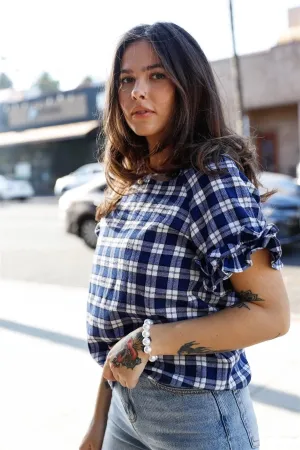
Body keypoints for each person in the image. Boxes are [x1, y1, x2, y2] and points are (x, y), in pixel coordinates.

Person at [79, 22, 290, 450]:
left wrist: (148, 342)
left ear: (188, 85)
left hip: (197, 418)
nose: (138, 90)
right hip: (126, 409)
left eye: (157, 75)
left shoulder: (211, 179)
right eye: (127, 79)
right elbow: (116, 323)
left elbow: (273, 315)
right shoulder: (132, 182)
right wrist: (98, 423)